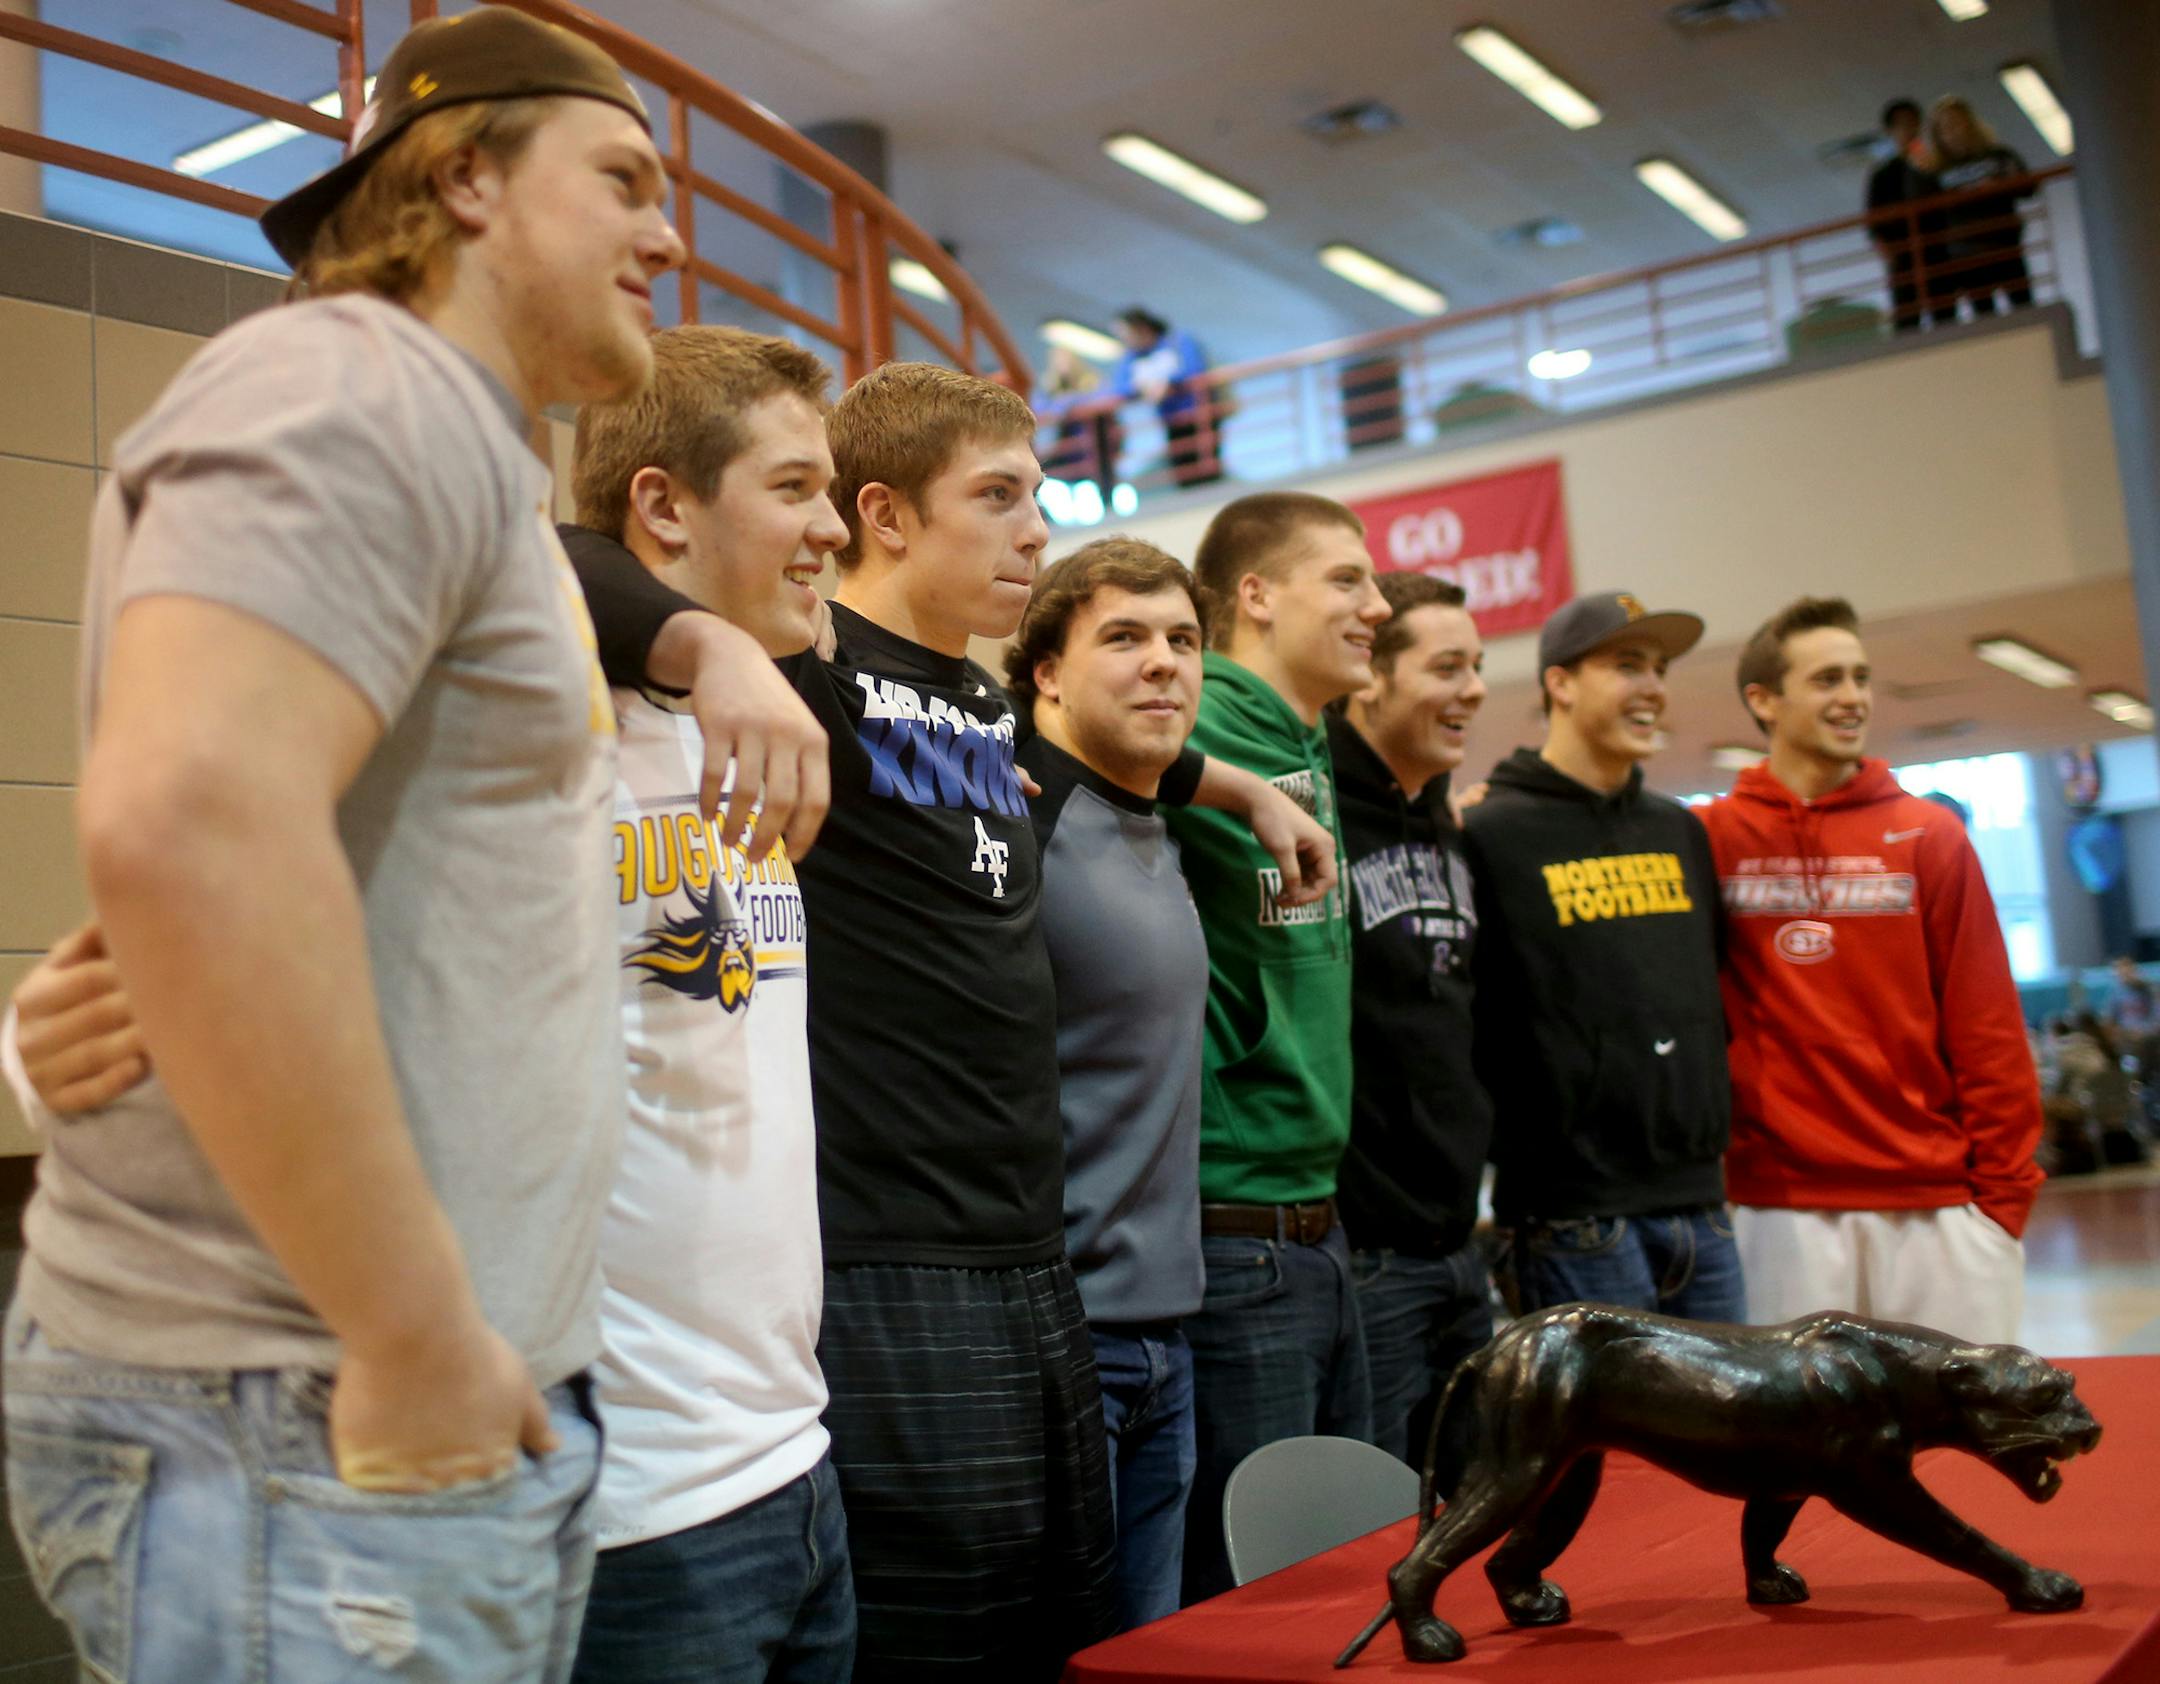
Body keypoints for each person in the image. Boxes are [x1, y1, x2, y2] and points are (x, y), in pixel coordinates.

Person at [0, 12, 809, 1679]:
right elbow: (189, 823)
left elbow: (254, 843)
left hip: (356, 1411)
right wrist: (411, 1327)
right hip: (301, 1404)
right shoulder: (362, 380)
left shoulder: (456, 451)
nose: (669, 231)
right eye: (624, 180)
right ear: (463, 180)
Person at [564, 362, 1334, 1681]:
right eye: (999, 497)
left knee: (1071, 1638)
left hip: (1039, 1267)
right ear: (891, 516)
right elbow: (566, 555)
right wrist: (718, 646)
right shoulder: (804, 665)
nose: (1037, 530)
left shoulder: (985, 705)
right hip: (890, 1265)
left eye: (1035, 497)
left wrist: (1244, 790)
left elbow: (1106, 748)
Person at [1705, 597, 2044, 1343]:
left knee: (1953, 1456)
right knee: (1791, 1456)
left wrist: (2001, 1204)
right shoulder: (1711, 838)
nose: (1853, 697)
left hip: (1936, 1209)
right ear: (1763, 699)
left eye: (1860, 677)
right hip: (1775, 1211)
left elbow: (1986, 1021)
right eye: (1827, 679)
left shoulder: (1929, 834)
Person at [1166, 491, 1390, 1601]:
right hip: (1232, 1222)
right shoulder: (1193, 717)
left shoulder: (1307, 737)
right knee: (1261, 1602)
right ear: (1255, 594)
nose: (1376, 604)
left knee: (1344, 1574)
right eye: (1346, 579)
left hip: (1321, 1227)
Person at [1005, 538, 1214, 1630]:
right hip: (1064, 1338)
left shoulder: (1158, 824)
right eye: (1123, 639)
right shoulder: (1014, 817)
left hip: (1170, 1335)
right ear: (1045, 670)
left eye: (1182, 641)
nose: (1162, 665)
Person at [1465, 592, 1745, 1326]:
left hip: (1701, 1207)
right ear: (1560, 683)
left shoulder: (1679, 829)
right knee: (1596, 1447)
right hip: (1571, 1217)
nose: (1652, 686)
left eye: (1658, 668)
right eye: (1627, 665)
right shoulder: (1491, 833)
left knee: (1733, 1440)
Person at [1328, 572, 1496, 1473]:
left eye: (1476, 665)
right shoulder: (1308, 804)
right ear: (1371, 680)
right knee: (1384, 1526)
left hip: (1459, 1248)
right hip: (1370, 1259)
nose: (1473, 688)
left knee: (1480, 1505)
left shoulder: (1446, 822)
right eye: (1447, 667)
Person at [1929, 94, 2036, 318]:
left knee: (2023, 309)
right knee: (1985, 316)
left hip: (2004, 245)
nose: (1953, 132)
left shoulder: (1998, 155)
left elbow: (2028, 187)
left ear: (1970, 123)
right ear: (1938, 136)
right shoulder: (1935, 173)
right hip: (1965, 254)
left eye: (1957, 123)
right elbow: (1928, 212)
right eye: (1945, 128)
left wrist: (1999, 186)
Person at [1113, 307, 1224, 491]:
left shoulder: (1178, 341)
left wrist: (1168, 382)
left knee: (1207, 470)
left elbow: (1194, 369)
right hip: (1172, 421)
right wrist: (1142, 387)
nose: (1124, 340)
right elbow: (1120, 387)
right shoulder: (1132, 356)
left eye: (1126, 334)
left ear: (1141, 329)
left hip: (1199, 415)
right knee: (1184, 473)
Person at [1865, 97, 1949, 333]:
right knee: (1907, 317)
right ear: (1890, 131)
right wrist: (1888, 250)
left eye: (1912, 124)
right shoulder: (1883, 175)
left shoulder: (1935, 164)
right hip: (1903, 255)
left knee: (1943, 311)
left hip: (1936, 249)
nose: (1908, 130)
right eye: (1901, 125)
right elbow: (1874, 220)